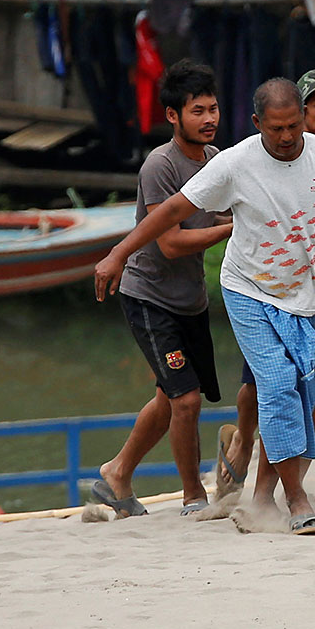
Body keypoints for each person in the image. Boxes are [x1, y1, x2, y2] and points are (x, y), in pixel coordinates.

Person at [96, 78, 315, 535]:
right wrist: (118, 254)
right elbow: (170, 212)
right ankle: (296, 500)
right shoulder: (236, 162)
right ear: (257, 123)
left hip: (306, 291)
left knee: (303, 392)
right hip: (250, 290)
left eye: (293, 127)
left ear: (302, 118)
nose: (285, 138)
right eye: (275, 129)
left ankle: (261, 498)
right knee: (278, 383)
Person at [214, 68, 315, 498]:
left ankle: (278, 488)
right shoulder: (248, 159)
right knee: (267, 386)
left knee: (312, 389)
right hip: (261, 289)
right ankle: (247, 445)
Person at [82, 60, 232, 518]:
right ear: (173, 116)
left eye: (213, 109)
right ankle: (193, 497)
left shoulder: (216, 160)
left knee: (169, 396)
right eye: (197, 111)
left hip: (190, 300)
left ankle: (117, 473)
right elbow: (169, 244)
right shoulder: (160, 167)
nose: (208, 119)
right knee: (185, 399)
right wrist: (230, 229)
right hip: (149, 297)